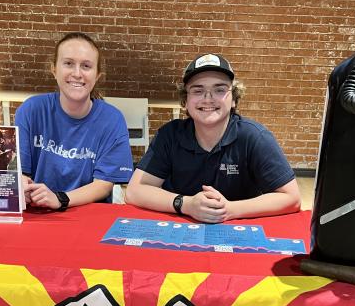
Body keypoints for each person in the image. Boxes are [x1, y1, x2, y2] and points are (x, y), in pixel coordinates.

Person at [124, 53, 301, 223]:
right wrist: (186, 204)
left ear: (234, 99)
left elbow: (291, 198)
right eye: (198, 90)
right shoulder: (169, 135)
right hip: (181, 229)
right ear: (185, 101)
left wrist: (230, 209)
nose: (208, 98)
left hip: (239, 233)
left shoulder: (255, 137)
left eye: (219, 90)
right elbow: (134, 192)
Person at [14, 32, 134, 211]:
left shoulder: (112, 120)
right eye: (68, 63)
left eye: (86, 66)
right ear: (54, 69)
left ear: (97, 75)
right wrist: (22, 185)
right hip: (38, 212)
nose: (77, 73)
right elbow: (20, 170)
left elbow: (104, 184)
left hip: (89, 215)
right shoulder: (31, 110)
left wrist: (60, 199)